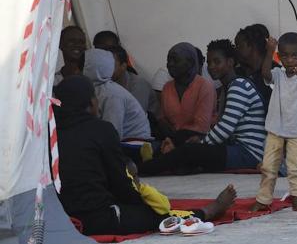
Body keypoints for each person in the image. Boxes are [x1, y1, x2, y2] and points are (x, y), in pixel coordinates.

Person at [54, 75, 236, 235]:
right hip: (98, 218)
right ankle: (207, 212)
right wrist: (139, 202)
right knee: (159, 215)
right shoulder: (101, 130)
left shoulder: (49, 134)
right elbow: (120, 182)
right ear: (90, 102)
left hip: (60, 217)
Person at [139, 39, 267, 175]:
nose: (211, 66)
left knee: (190, 150)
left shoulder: (238, 86)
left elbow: (225, 128)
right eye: (209, 62)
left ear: (230, 62)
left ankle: (143, 169)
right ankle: (173, 162)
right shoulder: (229, 87)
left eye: (217, 62)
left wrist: (201, 142)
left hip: (248, 154)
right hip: (237, 148)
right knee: (185, 139)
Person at [250, 33, 297, 213]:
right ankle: (263, 200)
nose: (290, 60)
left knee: (295, 169)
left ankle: (296, 199)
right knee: (268, 167)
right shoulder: (278, 74)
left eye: (295, 56)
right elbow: (265, 73)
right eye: (284, 56)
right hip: (276, 129)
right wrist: (269, 51)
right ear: (279, 56)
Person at [83, 48, 151, 141]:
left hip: (134, 144)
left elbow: (112, 134)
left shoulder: (111, 94)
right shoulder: (97, 88)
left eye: (83, 65)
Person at [158, 42, 217, 146]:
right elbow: (162, 119)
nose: (170, 64)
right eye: (168, 60)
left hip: (199, 142)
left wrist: (175, 137)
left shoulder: (204, 86)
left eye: (175, 60)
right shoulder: (167, 87)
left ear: (190, 62)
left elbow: (201, 127)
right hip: (172, 140)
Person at [106, 45, 159, 116]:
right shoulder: (104, 82)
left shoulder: (139, 85)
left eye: (110, 65)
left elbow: (134, 115)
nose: (105, 69)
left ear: (123, 66)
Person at [234, 24, 273, 108]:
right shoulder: (237, 73)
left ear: (252, 45)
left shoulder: (275, 71)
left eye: (239, 45)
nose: (235, 50)